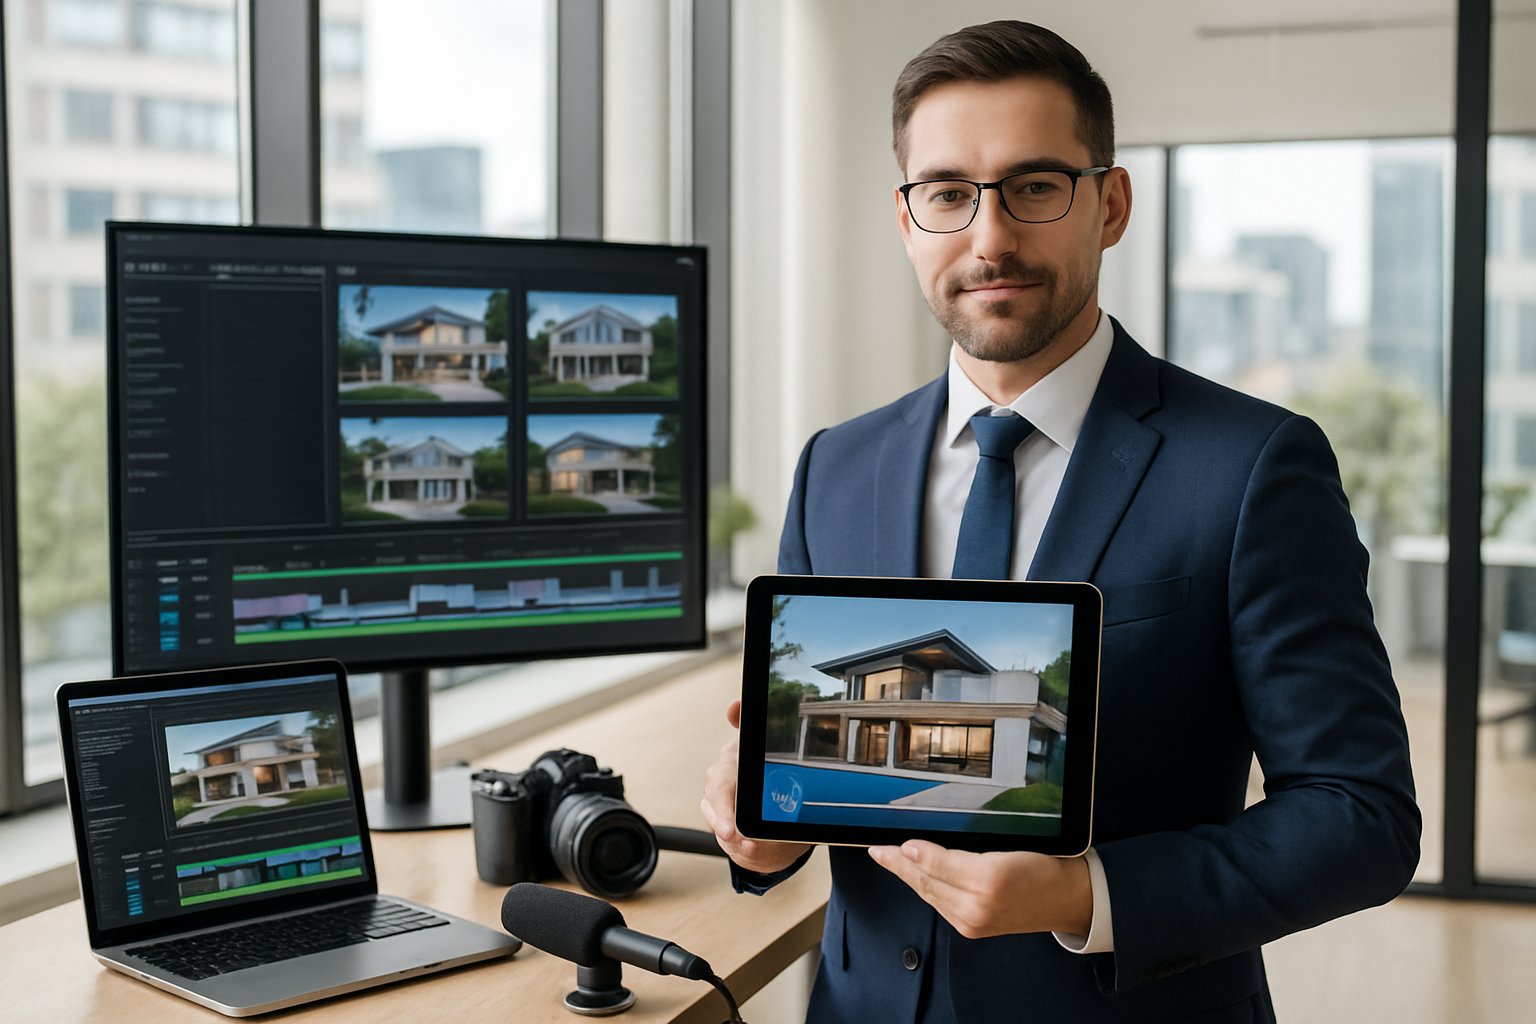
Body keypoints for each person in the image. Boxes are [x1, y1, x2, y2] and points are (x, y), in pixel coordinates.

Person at [698, 19, 1420, 1024]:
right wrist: (764, 835)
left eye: (1034, 187)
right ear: (907, 220)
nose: (988, 237)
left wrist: (1091, 895)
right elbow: (813, 795)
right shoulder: (836, 466)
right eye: (948, 194)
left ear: (1109, 204)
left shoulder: (1253, 466)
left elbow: (1361, 817)